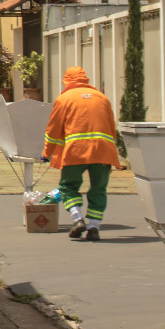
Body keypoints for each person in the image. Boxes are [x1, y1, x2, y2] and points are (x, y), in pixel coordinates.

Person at [43, 66, 120, 241]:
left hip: (75, 151)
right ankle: (94, 227)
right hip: (103, 152)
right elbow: (111, 128)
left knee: (68, 187)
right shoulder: (102, 98)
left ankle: (78, 219)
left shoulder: (64, 99)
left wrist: (47, 152)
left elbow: (53, 130)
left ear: (67, 81)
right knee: (99, 189)